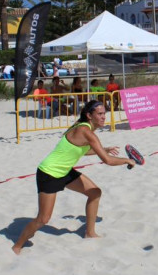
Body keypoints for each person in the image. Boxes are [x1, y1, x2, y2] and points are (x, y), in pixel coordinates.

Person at [12, 100, 136, 254]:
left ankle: (89, 233)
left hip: (64, 171)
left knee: (95, 192)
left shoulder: (84, 128)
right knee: (43, 219)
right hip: (49, 173)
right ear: (89, 116)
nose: (104, 117)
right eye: (100, 114)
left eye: (104, 113)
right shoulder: (86, 131)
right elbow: (107, 161)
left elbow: (81, 150)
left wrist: (103, 149)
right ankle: (17, 246)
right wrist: (126, 160)